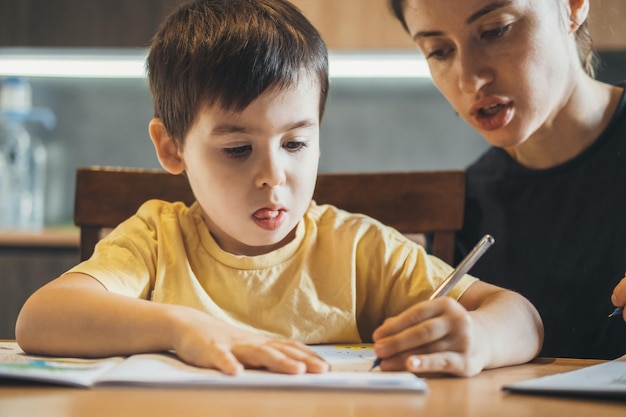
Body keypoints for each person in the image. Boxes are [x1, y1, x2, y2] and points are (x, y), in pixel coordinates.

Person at [15, 0, 542, 377]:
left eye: (294, 144)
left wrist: (481, 338)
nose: (274, 176)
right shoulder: (157, 239)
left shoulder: (359, 248)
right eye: (238, 150)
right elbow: (41, 318)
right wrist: (181, 328)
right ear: (171, 146)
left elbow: (521, 316)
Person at [388, 0, 626, 359]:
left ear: (573, 7)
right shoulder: (457, 214)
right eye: (438, 51)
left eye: (496, 30)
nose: (469, 79)